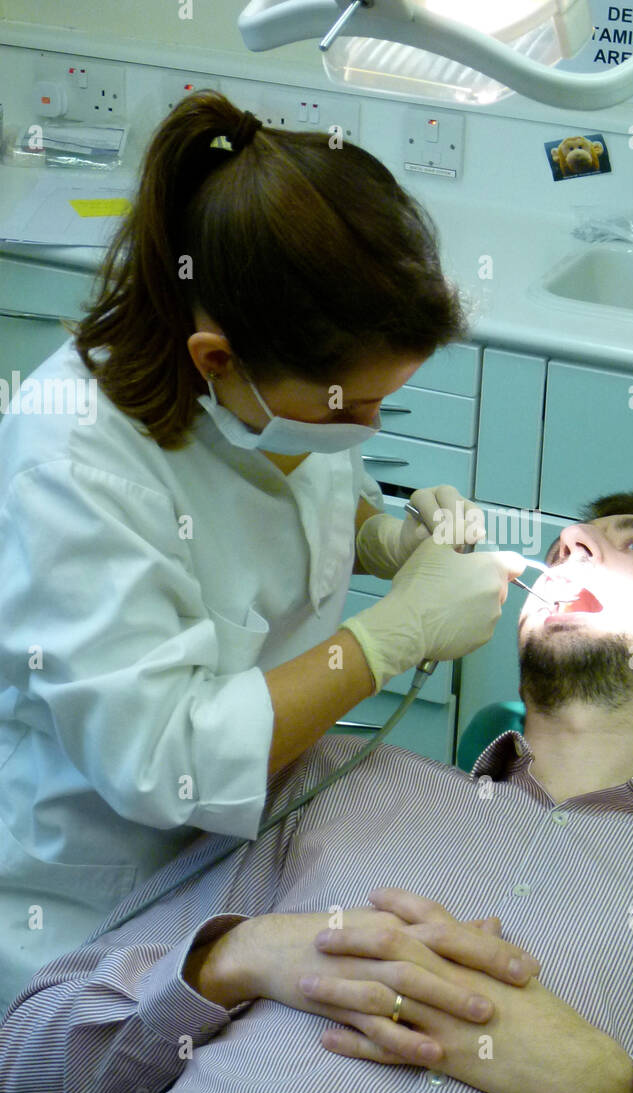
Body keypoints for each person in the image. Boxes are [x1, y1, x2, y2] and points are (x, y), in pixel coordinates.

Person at [0, 490, 633, 1093]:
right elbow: (20, 1063)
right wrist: (233, 960)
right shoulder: (333, 775)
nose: (574, 544)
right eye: (567, 542)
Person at [0, 91, 524, 1009]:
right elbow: (167, 763)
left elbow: (308, 488)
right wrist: (386, 641)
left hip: (252, 854)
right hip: (91, 908)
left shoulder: (276, 381)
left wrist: (381, 534)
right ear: (216, 359)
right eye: (350, 408)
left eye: (383, 402)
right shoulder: (73, 467)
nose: (364, 426)